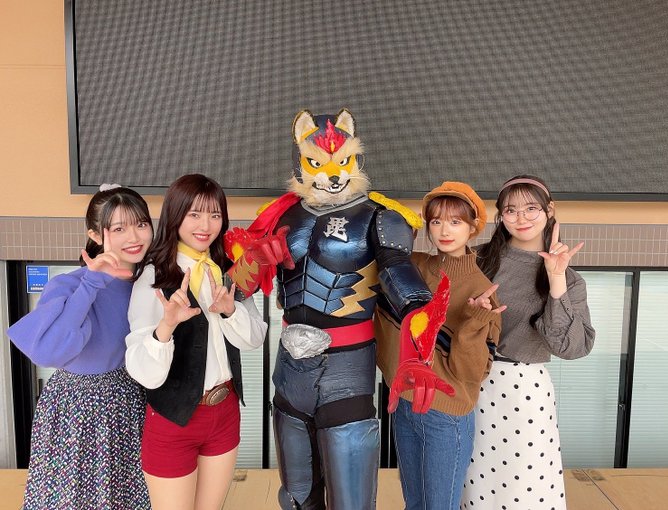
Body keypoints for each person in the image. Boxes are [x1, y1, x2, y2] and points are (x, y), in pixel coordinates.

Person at [224, 109, 444, 510]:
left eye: (342, 161)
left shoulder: (380, 216)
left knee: (351, 501)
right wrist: (251, 261)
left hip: (348, 369)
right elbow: (234, 293)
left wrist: (418, 313)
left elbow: (396, 268)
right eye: (318, 162)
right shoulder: (280, 214)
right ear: (300, 161)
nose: (332, 173)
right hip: (290, 371)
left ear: (355, 159)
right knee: (296, 497)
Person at [125, 173, 267, 510]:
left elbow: (254, 338)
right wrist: (166, 327)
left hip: (224, 412)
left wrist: (231, 311)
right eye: (195, 214)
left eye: (215, 215)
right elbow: (144, 373)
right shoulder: (154, 275)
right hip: (173, 420)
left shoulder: (230, 270)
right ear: (175, 216)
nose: (206, 225)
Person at [7, 185, 153, 510]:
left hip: (130, 403)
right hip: (76, 409)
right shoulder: (69, 284)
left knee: (127, 496)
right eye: (119, 228)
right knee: (72, 497)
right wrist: (91, 282)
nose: (134, 236)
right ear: (95, 235)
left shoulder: (149, 282)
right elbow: (49, 350)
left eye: (141, 224)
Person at [461, 175, 596, 510]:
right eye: (511, 210)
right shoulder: (476, 260)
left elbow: (571, 348)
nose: (521, 218)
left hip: (525, 390)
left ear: (549, 210)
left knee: (524, 487)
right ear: (501, 215)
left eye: (531, 208)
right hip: (468, 382)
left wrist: (556, 279)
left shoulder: (568, 278)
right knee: (472, 483)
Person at [374, 181, 504, 510]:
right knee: (414, 505)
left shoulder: (481, 290)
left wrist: (474, 324)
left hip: (446, 418)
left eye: (456, 221)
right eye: (436, 221)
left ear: (474, 226)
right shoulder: (412, 266)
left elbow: (471, 373)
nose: (445, 230)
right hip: (404, 405)